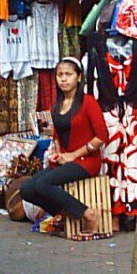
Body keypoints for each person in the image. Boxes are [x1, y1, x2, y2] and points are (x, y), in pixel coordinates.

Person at [20, 57, 109, 235]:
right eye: (60, 75)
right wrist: (59, 153)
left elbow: (102, 136)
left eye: (68, 74)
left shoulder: (88, 102)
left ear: (79, 77)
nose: (64, 79)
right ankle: (62, 214)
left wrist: (74, 155)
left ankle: (89, 214)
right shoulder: (57, 105)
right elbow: (56, 135)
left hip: (86, 161)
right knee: (27, 189)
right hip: (67, 159)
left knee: (44, 184)